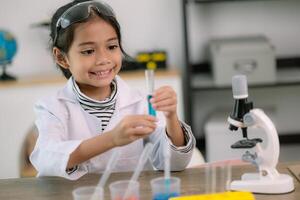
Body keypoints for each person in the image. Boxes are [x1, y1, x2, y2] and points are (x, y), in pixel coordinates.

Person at [30, 0, 196, 180]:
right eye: (88, 51)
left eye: (111, 47)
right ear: (62, 58)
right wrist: (112, 139)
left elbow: (174, 164)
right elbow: (47, 158)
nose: (103, 59)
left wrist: (172, 117)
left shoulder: (140, 103)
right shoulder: (52, 108)